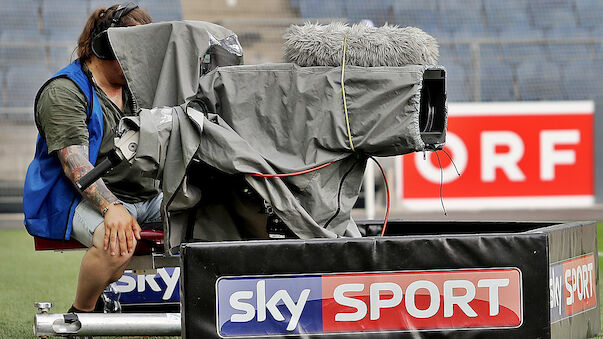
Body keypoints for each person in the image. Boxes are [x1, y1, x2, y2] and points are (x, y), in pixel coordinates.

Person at [23, 3, 157, 312]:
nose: (142, 59)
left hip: (146, 194)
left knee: (214, 218)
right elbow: (76, 166)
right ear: (103, 46)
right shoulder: (64, 91)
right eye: (132, 50)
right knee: (117, 245)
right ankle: (82, 313)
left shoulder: (139, 87)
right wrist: (114, 208)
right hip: (75, 197)